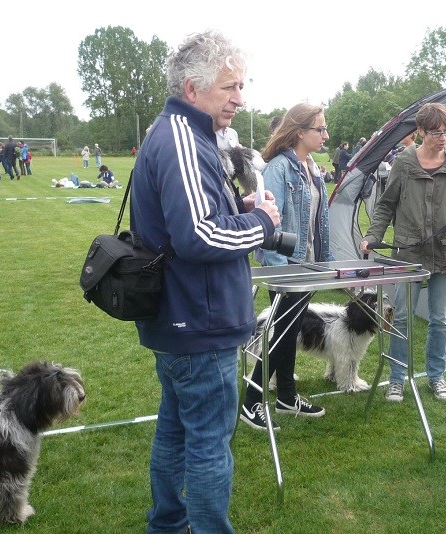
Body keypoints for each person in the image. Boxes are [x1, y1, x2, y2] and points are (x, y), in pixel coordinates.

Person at [131, 30, 280, 533]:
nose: (240, 98)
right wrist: (263, 224)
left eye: (241, 86)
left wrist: (240, 208)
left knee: (175, 433)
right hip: (198, 321)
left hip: (183, 320)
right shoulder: (182, 139)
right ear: (192, 89)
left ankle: (168, 525)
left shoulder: (181, 132)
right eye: (229, 87)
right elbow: (198, 237)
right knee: (209, 443)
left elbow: (193, 220)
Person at [360, 102, 446, 403]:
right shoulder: (404, 163)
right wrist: (373, 235)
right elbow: (386, 204)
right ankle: (397, 379)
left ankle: (437, 376)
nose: (443, 137)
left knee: (440, 319)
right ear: (421, 131)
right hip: (409, 255)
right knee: (401, 318)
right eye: (437, 131)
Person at [240, 103, 334, 430]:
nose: (326, 134)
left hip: (306, 266)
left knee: (289, 330)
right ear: (300, 132)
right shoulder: (279, 168)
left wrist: (325, 264)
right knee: (281, 333)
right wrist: (280, 271)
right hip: (286, 268)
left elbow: (320, 221)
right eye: (319, 129)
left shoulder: (313, 166)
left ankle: (286, 397)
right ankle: (251, 402)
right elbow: (270, 226)